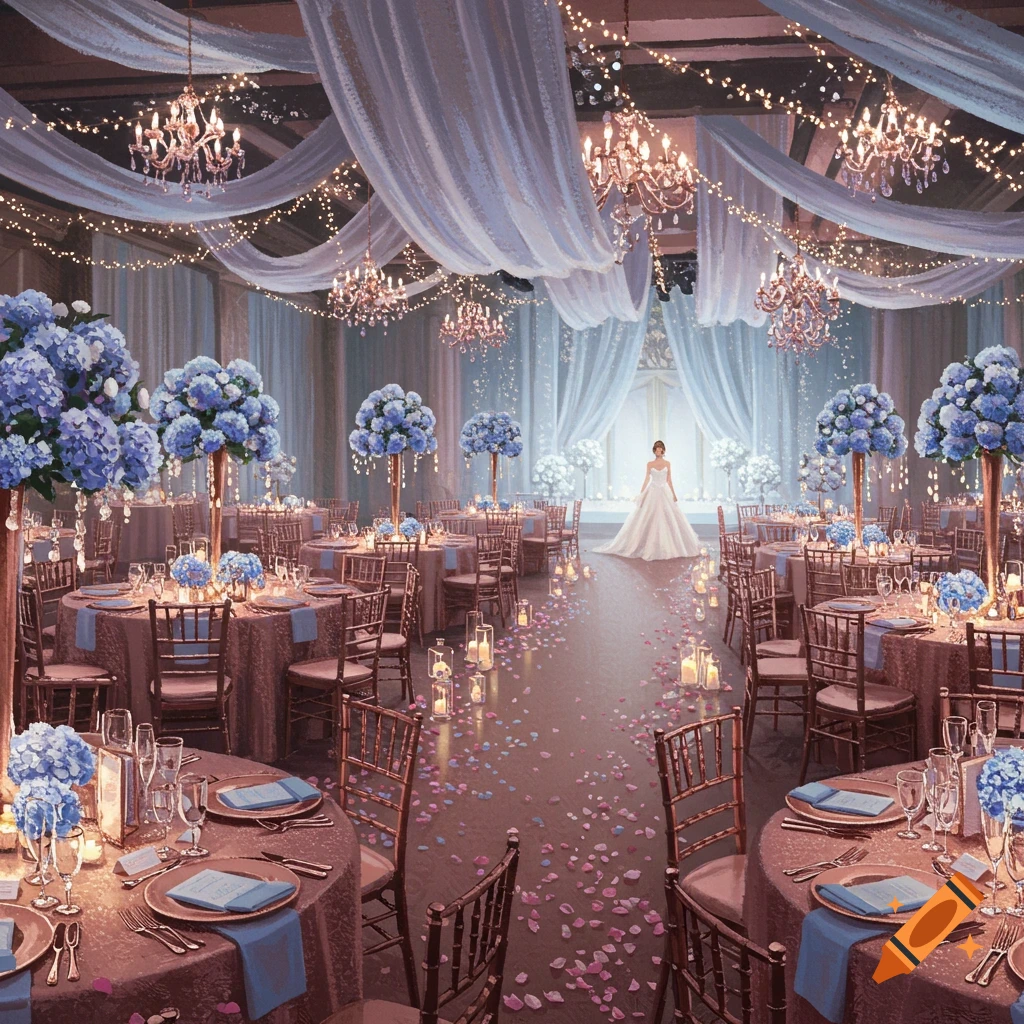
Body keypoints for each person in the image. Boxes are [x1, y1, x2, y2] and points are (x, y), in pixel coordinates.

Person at [594, 441, 701, 561]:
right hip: (652, 491)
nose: (658, 451)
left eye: (660, 449)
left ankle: (671, 547)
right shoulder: (650, 464)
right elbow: (646, 479)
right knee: (647, 516)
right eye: (656, 449)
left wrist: (674, 495)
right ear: (654, 450)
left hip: (664, 492)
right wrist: (641, 494)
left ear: (663, 451)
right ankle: (645, 546)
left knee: (669, 517)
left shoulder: (668, 464)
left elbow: (669, 480)